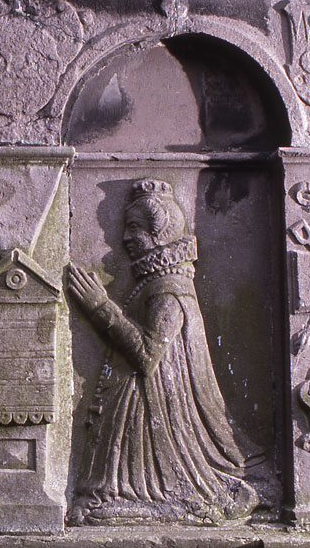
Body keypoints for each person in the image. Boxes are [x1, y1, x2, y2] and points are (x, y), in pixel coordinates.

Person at [67, 178, 263, 525]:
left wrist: (101, 308)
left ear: (159, 233)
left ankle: (152, 493)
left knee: (108, 503)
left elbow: (146, 355)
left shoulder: (168, 290)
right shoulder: (156, 281)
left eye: (134, 228)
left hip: (156, 409)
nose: (125, 238)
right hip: (140, 400)